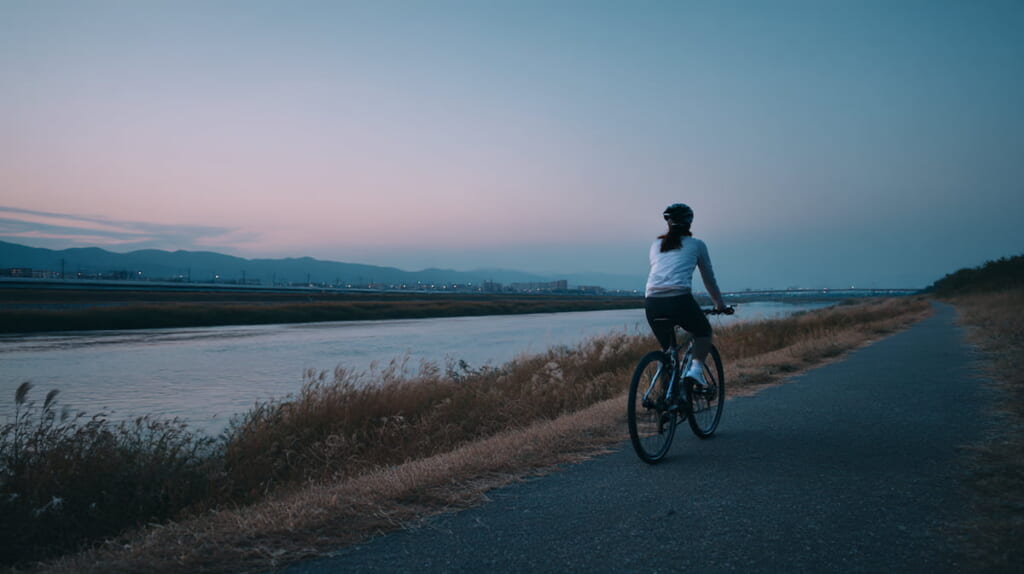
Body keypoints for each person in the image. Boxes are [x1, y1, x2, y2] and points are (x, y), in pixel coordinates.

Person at [644, 203, 729, 388]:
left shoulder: (656, 245)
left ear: (668, 223)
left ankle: (666, 403)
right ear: (689, 224)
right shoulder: (697, 245)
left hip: (652, 303)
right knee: (703, 332)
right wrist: (719, 304)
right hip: (679, 300)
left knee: (668, 352)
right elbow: (709, 279)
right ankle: (696, 371)